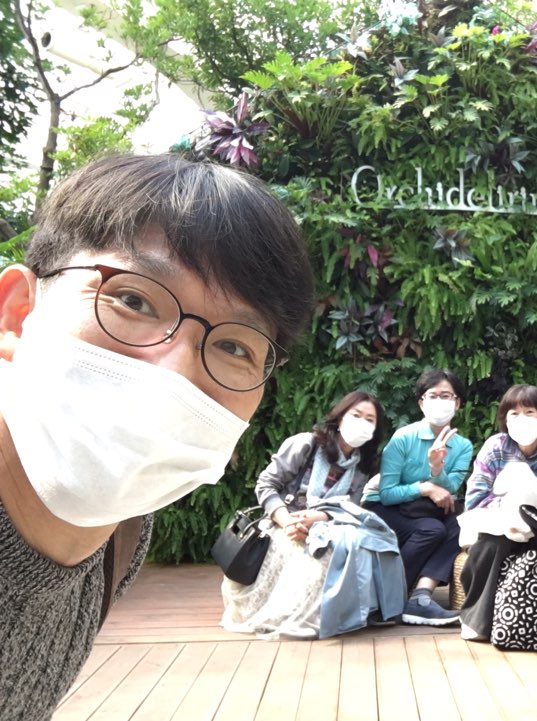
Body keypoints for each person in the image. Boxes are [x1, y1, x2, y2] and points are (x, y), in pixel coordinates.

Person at [0, 153, 313, 720]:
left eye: (233, 346)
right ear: (16, 312)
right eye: (133, 300)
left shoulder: (121, 535)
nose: (175, 371)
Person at [221, 391, 406, 639]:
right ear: (340, 418)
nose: (362, 422)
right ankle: (297, 616)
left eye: (369, 419)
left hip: (326, 523)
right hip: (283, 521)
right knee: (321, 552)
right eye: (356, 415)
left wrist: (319, 518)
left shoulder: (362, 465)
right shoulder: (306, 445)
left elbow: (350, 507)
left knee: (364, 542)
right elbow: (266, 485)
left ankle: (359, 612)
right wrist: (289, 522)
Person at [458, 383, 537, 643]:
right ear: (505, 419)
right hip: (493, 521)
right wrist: (513, 504)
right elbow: (474, 500)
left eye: (529, 412)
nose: (522, 419)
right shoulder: (495, 447)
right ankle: (476, 618)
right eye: (514, 413)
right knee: (494, 542)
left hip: (536, 523)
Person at [362, 368, 473, 626]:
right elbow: (387, 493)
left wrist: (436, 469)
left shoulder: (463, 446)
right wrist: (425, 488)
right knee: (432, 530)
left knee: (461, 524)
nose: (440, 401)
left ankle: (421, 597)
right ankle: (385, 597)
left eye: (446, 396)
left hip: (424, 509)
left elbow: (451, 489)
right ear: (422, 403)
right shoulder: (403, 438)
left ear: (457, 403)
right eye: (433, 395)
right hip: (383, 506)